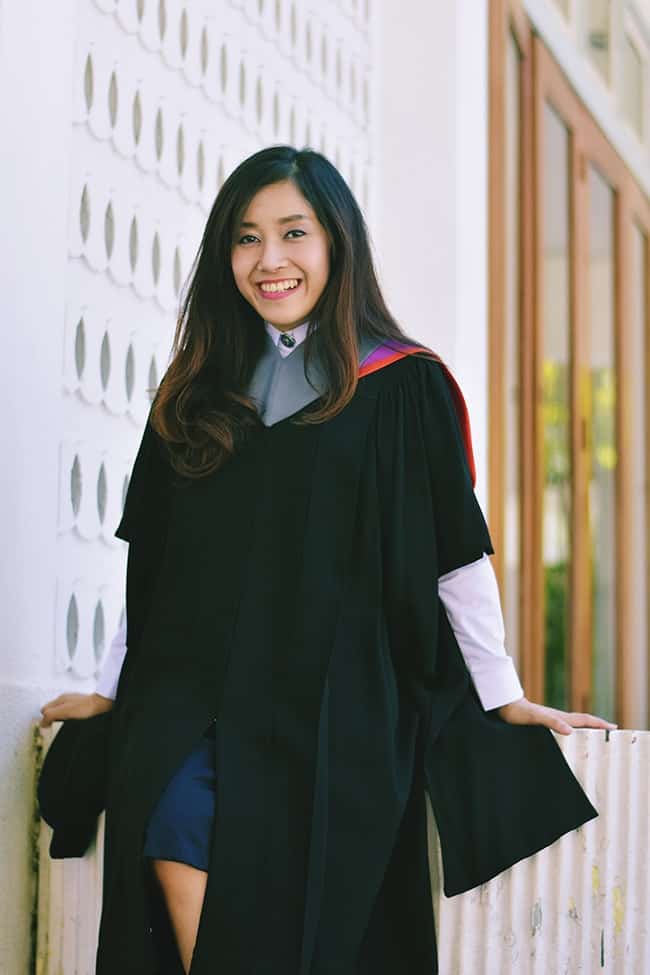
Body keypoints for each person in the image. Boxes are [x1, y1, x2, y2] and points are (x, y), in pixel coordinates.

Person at [40, 145, 614, 975]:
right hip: (195, 695)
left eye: (292, 233)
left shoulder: (400, 386)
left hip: (334, 702)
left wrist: (503, 691)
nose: (269, 260)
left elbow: (455, 555)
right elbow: (152, 572)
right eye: (245, 238)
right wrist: (107, 687)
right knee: (168, 814)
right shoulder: (195, 395)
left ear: (336, 243)